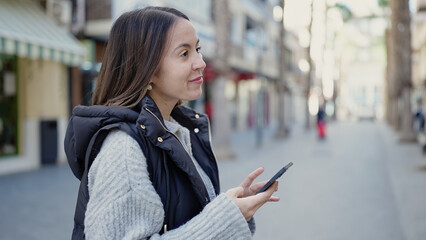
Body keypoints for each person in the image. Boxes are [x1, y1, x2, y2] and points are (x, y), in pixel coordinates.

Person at [64, 7, 279, 240]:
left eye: (197, 49)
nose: (201, 63)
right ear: (147, 69)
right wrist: (223, 220)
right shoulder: (123, 150)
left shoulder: (177, 130)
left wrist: (236, 210)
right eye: (184, 54)